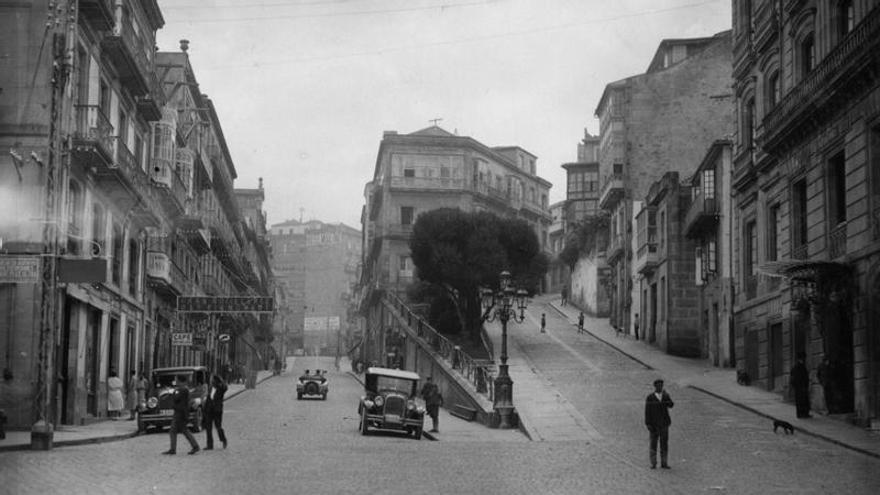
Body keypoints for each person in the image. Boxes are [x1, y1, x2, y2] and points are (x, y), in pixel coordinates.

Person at [163, 374, 200, 455]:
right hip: (180, 412)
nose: (175, 381)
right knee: (181, 430)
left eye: (176, 380)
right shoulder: (183, 389)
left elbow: (176, 398)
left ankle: (193, 446)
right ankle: (193, 446)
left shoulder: (183, 389)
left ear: (180, 380)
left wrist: (172, 392)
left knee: (177, 431)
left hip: (180, 413)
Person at [644, 379, 674, 469]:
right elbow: (647, 411)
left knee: (664, 444)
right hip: (654, 425)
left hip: (664, 424)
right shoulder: (650, 397)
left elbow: (671, 405)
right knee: (653, 444)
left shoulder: (665, 396)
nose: (660, 387)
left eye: (661, 385)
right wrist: (648, 423)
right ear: (655, 387)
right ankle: (653, 463)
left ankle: (664, 463)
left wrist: (667, 396)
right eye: (659, 386)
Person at [203, 374, 228, 450]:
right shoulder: (210, 388)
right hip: (209, 410)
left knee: (218, 427)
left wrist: (221, 380)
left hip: (217, 410)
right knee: (208, 428)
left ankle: (223, 439)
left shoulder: (220, 388)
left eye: (212, 380)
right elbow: (208, 398)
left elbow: (225, 387)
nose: (210, 381)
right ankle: (210, 445)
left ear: (215, 381)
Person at [790, 352, 811, 418]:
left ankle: (804, 414)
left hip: (802, 387)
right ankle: (801, 414)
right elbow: (796, 378)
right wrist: (799, 386)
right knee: (801, 401)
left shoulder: (799, 366)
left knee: (803, 401)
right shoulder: (798, 367)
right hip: (800, 387)